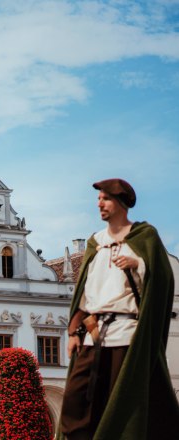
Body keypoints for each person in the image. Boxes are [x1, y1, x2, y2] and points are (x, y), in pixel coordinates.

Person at [59, 178, 179, 439]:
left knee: (122, 403)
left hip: (127, 333)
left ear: (121, 203)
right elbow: (84, 293)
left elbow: (163, 279)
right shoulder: (96, 242)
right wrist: (72, 332)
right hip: (94, 332)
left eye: (105, 199)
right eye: (99, 199)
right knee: (75, 403)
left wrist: (137, 263)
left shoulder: (144, 236)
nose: (99, 203)